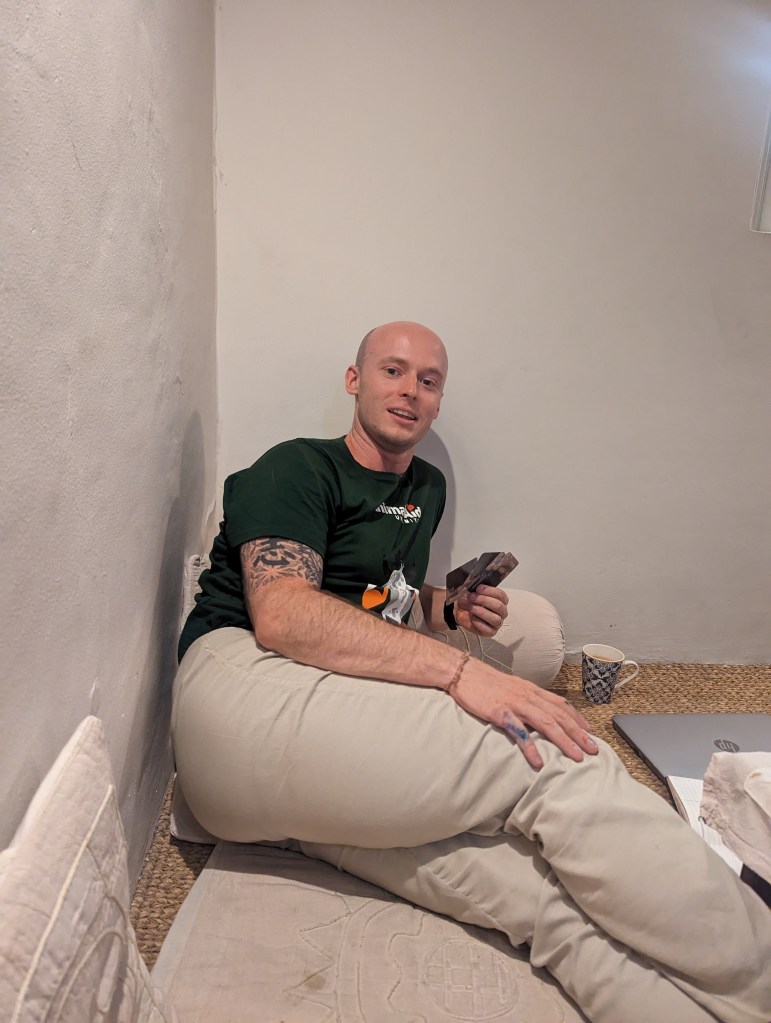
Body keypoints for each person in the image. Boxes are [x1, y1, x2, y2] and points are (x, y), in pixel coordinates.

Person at [172, 321, 770, 1023]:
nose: (410, 390)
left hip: (305, 753)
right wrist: (459, 673)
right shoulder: (298, 467)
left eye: (428, 381)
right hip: (242, 685)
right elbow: (286, 615)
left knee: (543, 901)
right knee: (554, 754)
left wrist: (450, 610)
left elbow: (380, 600)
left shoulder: (424, 487)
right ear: (354, 380)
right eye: (393, 370)